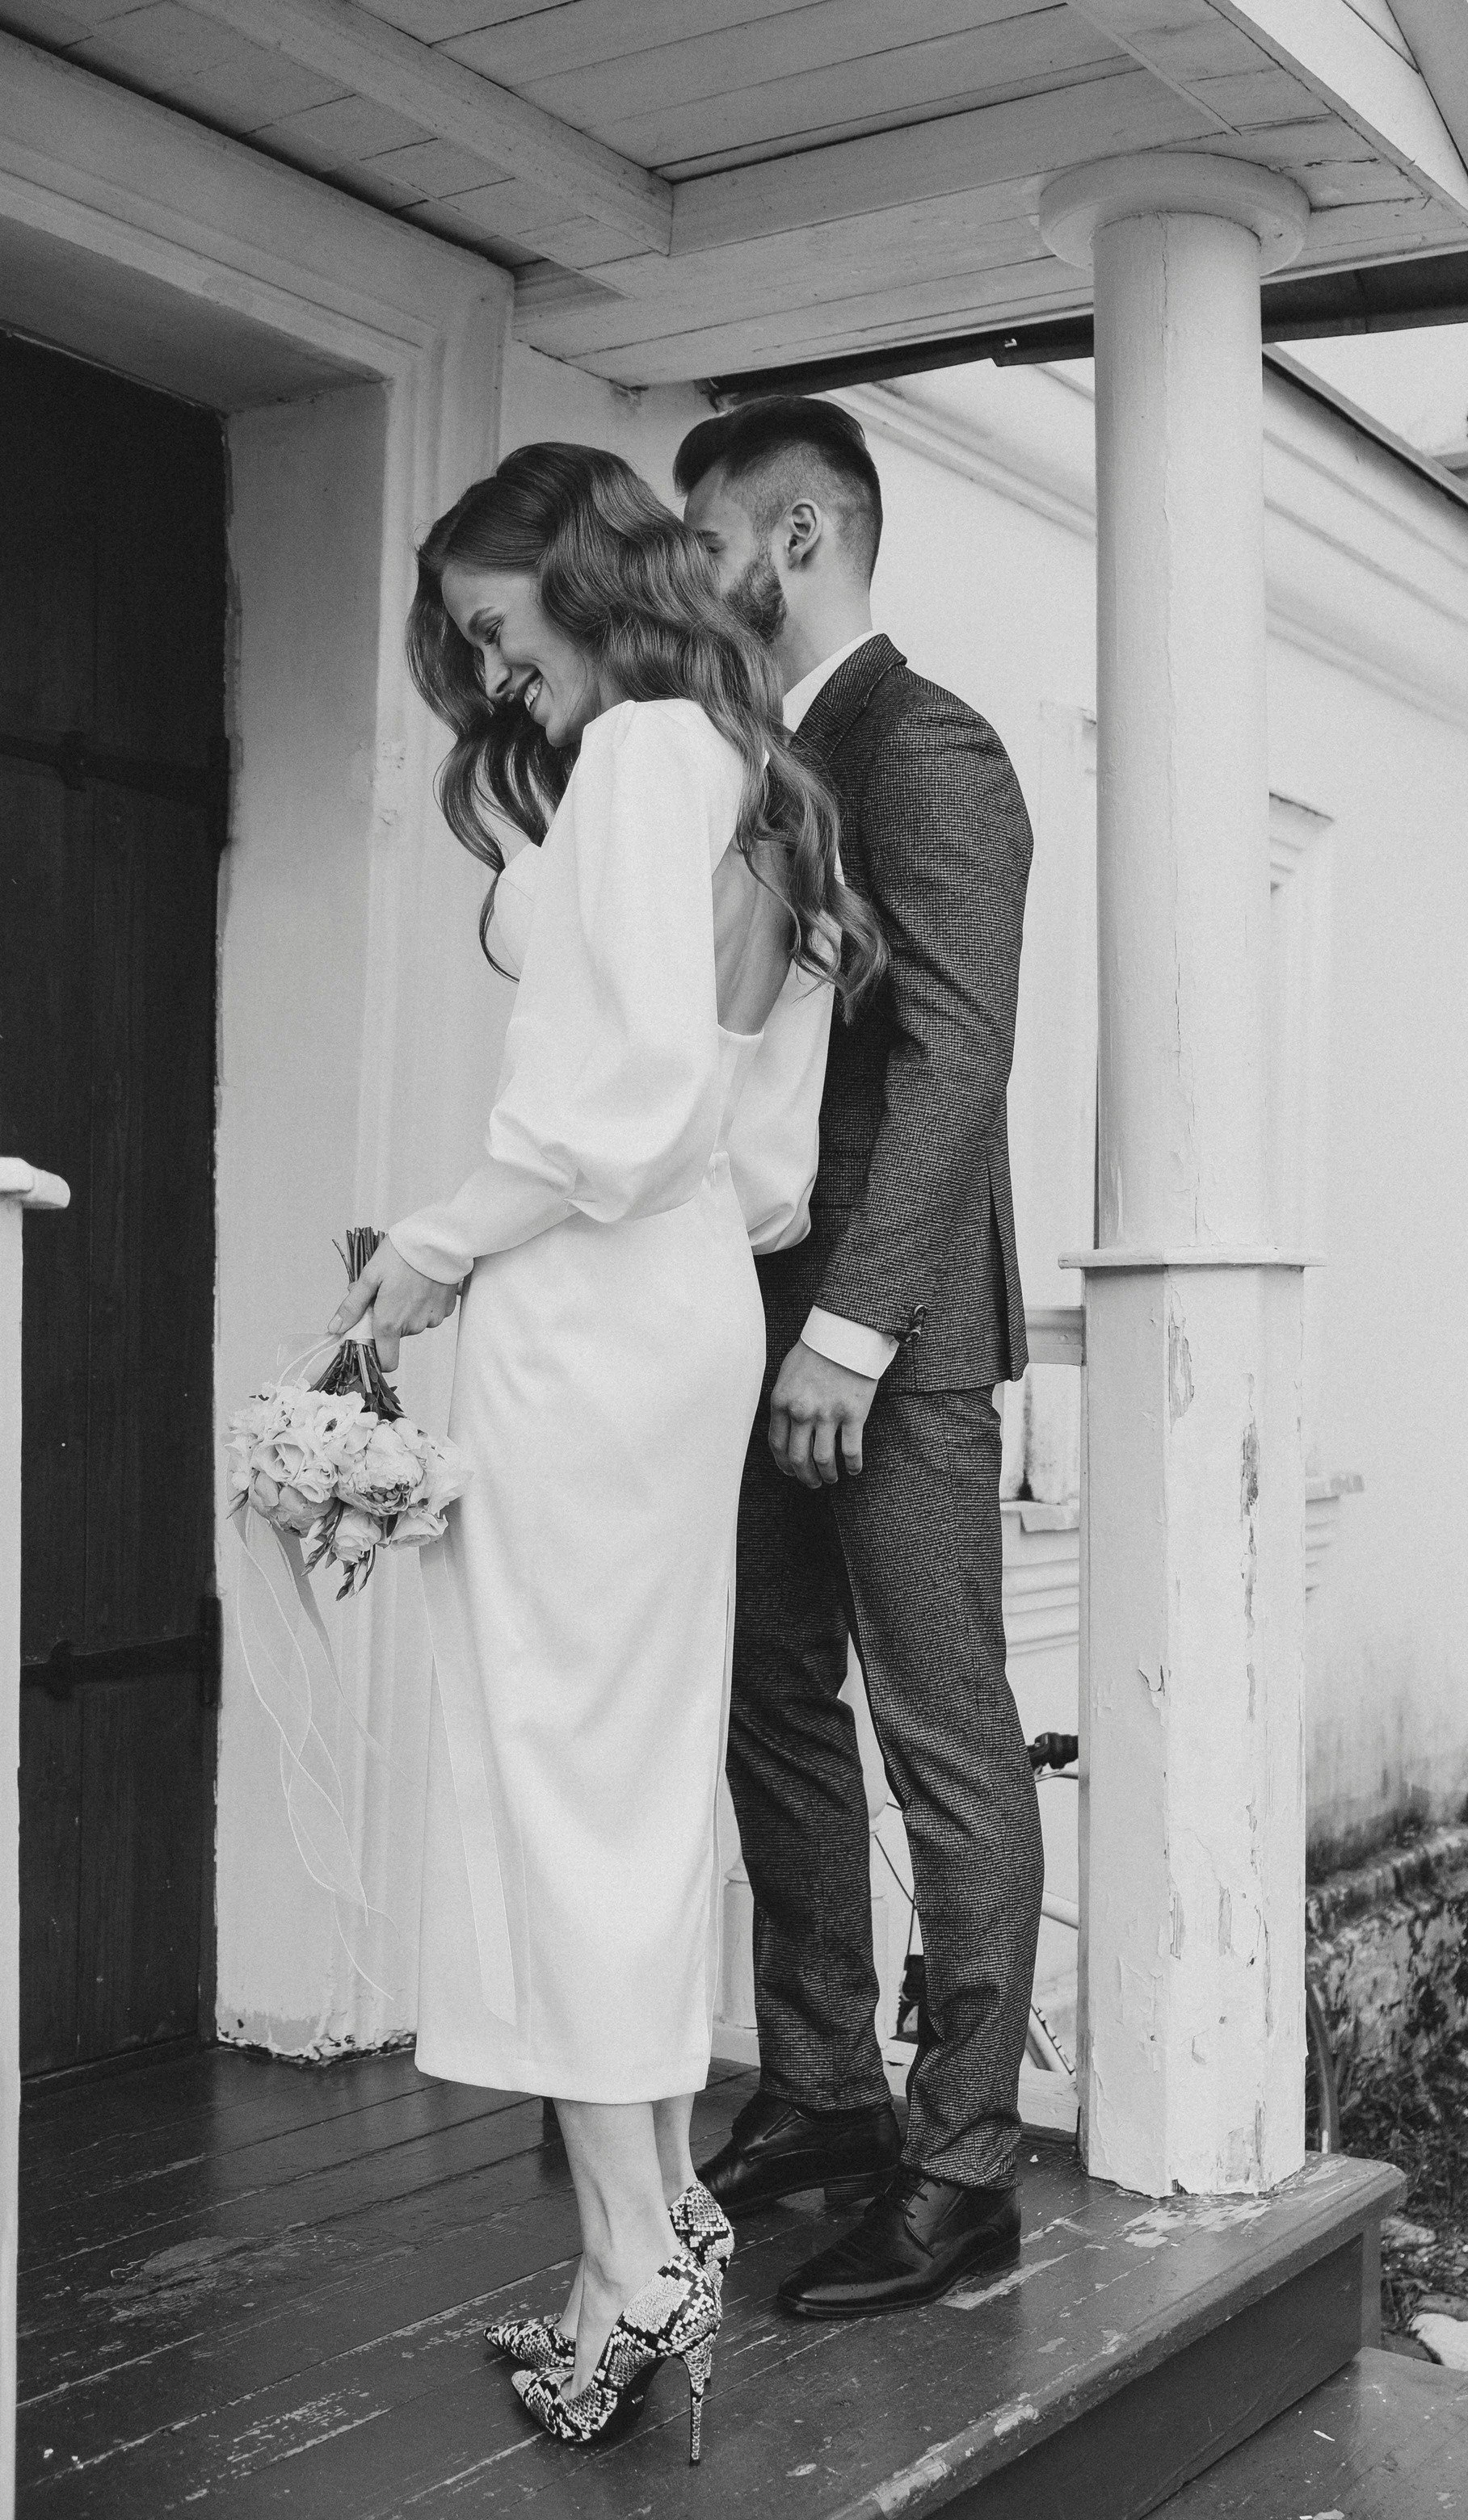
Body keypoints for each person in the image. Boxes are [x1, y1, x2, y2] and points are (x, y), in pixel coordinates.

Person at [328, 443, 881, 2456]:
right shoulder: (734, 771)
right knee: (617, 1788)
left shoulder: (651, 753)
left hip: (590, 1317)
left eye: (493, 629)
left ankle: (643, 2253)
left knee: (562, 1783)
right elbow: (739, 1163)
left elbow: (631, 1103)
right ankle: (626, 2250)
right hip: (668, 1308)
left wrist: (439, 1245)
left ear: (576, 576)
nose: (489, 679)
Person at [676, 397, 1045, 2317]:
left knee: (941, 1734)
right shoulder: (759, 759)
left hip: (877, 1341)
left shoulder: (926, 745)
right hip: (745, 1320)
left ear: (803, 533)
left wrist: (844, 1327)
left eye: (712, 537)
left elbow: (953, 1062)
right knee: (769, 1701)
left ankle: (964, 2168)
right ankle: (819, 2097)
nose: (691, 573)